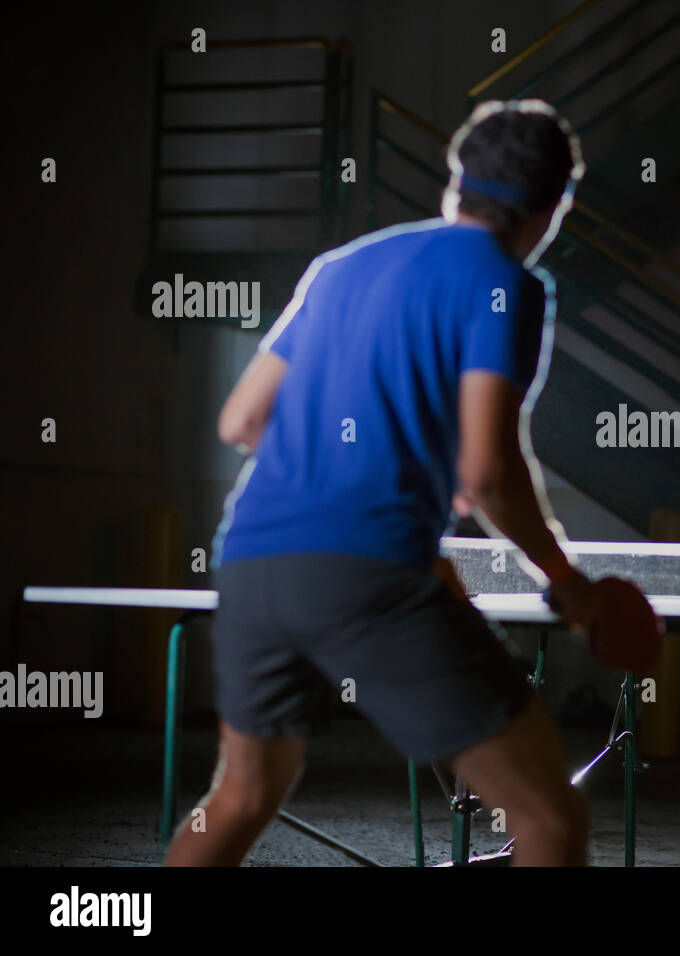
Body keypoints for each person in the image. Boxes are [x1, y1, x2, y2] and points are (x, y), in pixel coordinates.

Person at [165, 100, 604, 867]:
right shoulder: (509, 285)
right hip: (366, 573)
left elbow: (241, 418)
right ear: (552, 207)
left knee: (239, 797)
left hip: (252, 563)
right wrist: (568, 582)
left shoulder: (341, 268)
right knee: (548, 819)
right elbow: (488, 471)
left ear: (453, 185)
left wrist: (362, 470)